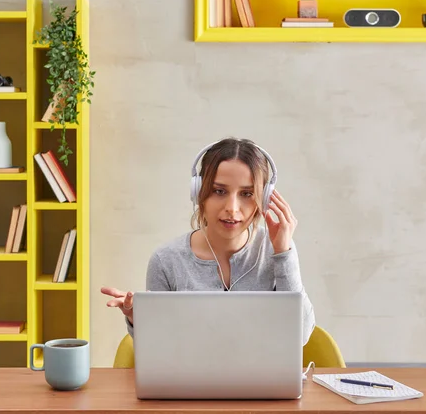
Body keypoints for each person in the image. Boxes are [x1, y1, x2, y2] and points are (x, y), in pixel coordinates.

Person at [101, 137, 316, 344]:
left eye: (247, 194)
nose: (232, 208)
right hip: (188, 381)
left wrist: (283, 254)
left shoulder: (277, 250)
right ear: (199, 193)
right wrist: (138, 321)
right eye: (219, 191)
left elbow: (301, 335)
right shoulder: (166, 260)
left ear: (264, 198)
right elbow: (158, 349)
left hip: (264, 381)